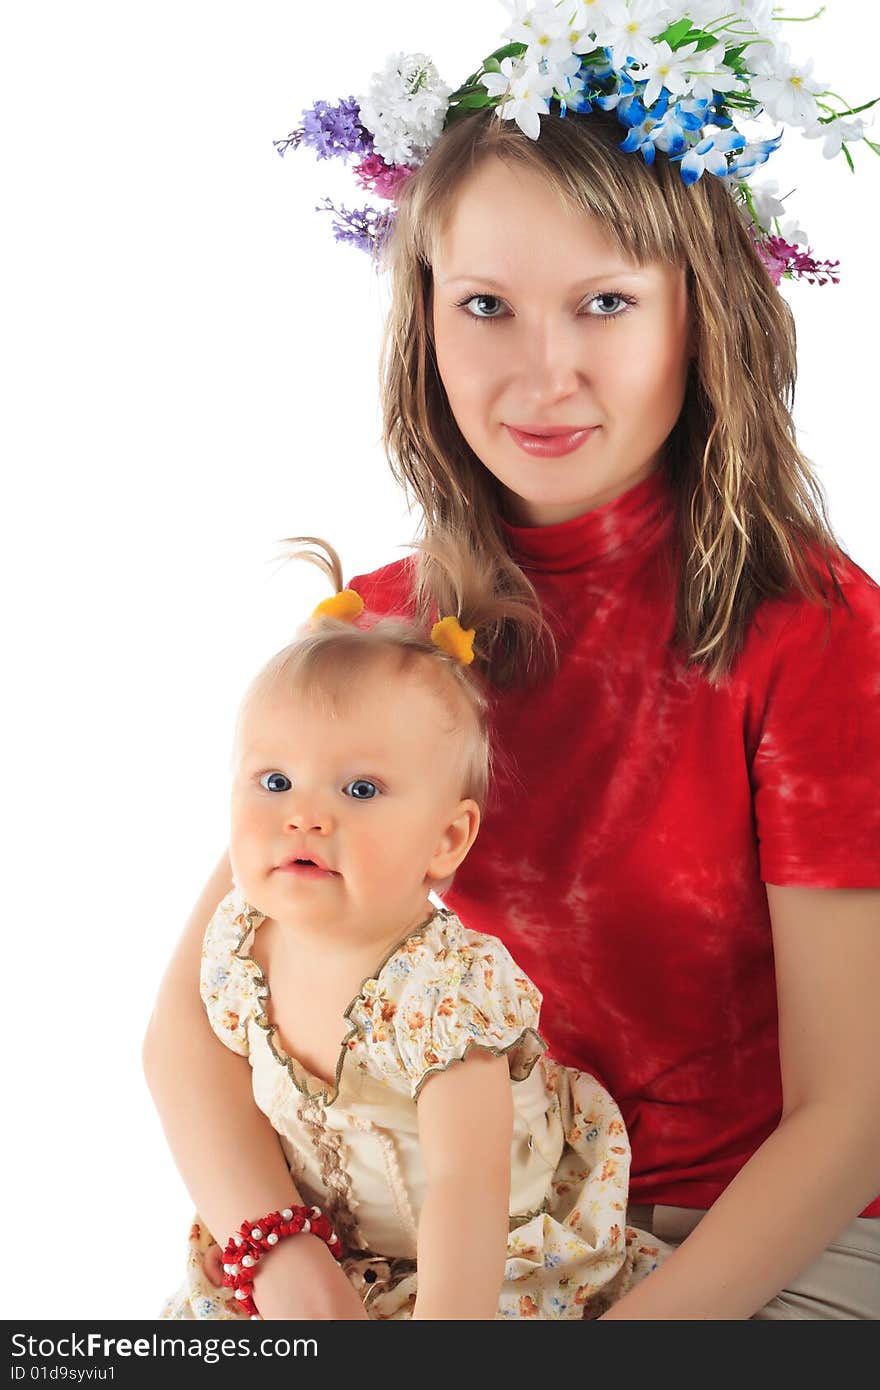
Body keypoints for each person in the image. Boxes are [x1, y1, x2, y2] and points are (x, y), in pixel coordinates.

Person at [144, 3, 880, 1319]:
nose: (542, 374)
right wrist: (292, 1266)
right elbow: (192, 1028)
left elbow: (850, 1117)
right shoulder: (382, 638)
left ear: (700, 319)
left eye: (604, 303)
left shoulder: (812, 632)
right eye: (487, 304)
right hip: (435, 1233)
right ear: (426, 320)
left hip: (741, 1241)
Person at [157, 537, 666, 1321]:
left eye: (360, 788)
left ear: (447, 841)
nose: (304, 814)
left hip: (477, 1265)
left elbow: (468, 1188)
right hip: (337, 1255)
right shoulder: (239, 944)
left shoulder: (442, 991)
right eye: (274, 780)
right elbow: (187, 1067)